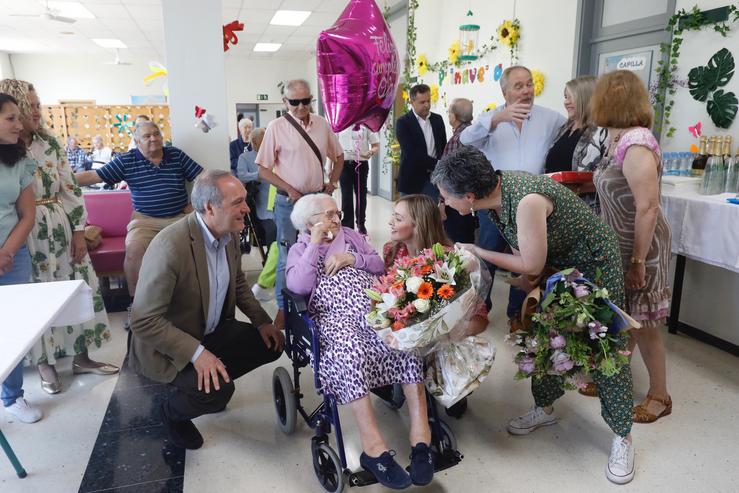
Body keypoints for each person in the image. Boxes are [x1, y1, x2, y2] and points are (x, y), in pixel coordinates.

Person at [432, 146, 636, 485]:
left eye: (446, 198)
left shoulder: (526, 200)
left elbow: (530, 262)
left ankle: (622, 437)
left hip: (594, 267)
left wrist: (479, 252)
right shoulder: (495, 199)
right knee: (546, 340)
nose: (444, 204)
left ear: (468, 196)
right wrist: (531, 286)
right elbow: (523, 252)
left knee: (603, 350)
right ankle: (545, 408)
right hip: (557, 266)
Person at [286, 193, 434, 489]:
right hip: (334, 316)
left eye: (336, 213)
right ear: (309, 222)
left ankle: (421, 441)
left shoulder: (351, 236)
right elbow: (297, 286)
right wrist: (316, 244)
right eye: (328, 215)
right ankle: (374, 450)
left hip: (371, 307)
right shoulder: (300, 248)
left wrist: (351, 257)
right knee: (350, 352)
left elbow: (378, 265)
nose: (335, 220)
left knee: (405, 343)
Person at [129, 170, 284, 450]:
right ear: (210, 207)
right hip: (168, 347)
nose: (247, 209)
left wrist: (262, 322)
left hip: (209, 330)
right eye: (238, 202)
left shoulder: (230, 234)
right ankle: (171, 411)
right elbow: (143, 320)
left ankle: (207, 382)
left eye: (245, 200)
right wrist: (198, 355)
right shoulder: (170, 246)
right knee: (219, 393)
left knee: (270, 345)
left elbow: (237, 284)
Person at [0, 79, 118, 394]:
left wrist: (79, 231)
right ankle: (45, 363)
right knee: (37, 297)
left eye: (39, 105)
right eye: (31, 106)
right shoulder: (9, 151)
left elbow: (71, 188)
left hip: (59, 224)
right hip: (24, 233)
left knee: (77, 289)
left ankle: (82, 356)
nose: (37, 112)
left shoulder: (49, 144)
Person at [591, 70, 672, 424]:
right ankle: (614, 374)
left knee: (645, 322)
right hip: (622, 242)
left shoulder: (637, 142)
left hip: (642, 246)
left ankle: (660, 395)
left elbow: (647, 206)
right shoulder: (617, 136)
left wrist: (638, 260)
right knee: (626, 316)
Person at [459, 65, 567, 331]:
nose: (526, 90)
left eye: (529, 84)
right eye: (519, 86)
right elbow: (464, 140)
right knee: (487, 255)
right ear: (505, 91)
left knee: (528, 262)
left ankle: (518, 315)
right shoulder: (490, 120)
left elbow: (570, 134)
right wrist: (496, 120)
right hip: (494, 204)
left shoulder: (550, 118)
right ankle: (479, 309)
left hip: (532, 206)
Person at [75, 121, 203, 329]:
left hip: (179, 217)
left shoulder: (176, 155)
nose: (153, 138)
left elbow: (202, 177)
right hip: (144, 220)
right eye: (146, 136)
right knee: (133, 250)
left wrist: (195, 204)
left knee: (195, 250)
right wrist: (61, 180)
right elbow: (93, 176)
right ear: (136, 141)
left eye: (156, 134)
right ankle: (137, 307)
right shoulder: (127, 160)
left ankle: (189, 306)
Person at [384, 194, 488, 418]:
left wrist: (449, 331)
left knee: (453, 399)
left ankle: (448, 383)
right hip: (408, 336)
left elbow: (479, 317)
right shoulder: (392, 252)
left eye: (398, 218)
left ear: (417, 224)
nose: (390, 222)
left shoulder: (450, 260)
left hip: (445, 337)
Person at [256, 79, 344, 330]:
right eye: (294, 102)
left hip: (318, 202)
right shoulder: (276, 127)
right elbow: (263, 169)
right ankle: (284, 310)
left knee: (319, 251)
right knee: (286, 254)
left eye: (306, 101)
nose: (301, 106)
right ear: (285, 102)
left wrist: (332, 183)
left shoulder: (322, 125)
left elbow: (338, 157)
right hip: (288, 203)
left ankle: (313, 303)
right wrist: (290, 189)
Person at [0, 93, 42, 423]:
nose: (19, 124)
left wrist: (7, 251)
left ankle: (12, 397)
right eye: (10, 118)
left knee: (12, 329)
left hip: (13, 256)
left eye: (19, 117)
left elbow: (27, 214)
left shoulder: (19, 161)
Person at [236, 127, 277, 301]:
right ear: (254, 143)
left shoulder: (274, 155)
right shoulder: (245, 158)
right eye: (264, 140)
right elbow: (242, 176)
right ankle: (270, 272)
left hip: (280, 203)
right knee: (273, 237)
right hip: (262, 207)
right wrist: (259, 175)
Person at [396, 84, 446, 200]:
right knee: (411, 217)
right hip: (411, 181)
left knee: (432, 216)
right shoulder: (403, 123)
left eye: (428, 101)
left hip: (434, 180)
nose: (427, 105)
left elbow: (443, 146)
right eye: (422, 102)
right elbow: (411, 154)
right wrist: (438, 164)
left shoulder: (437, 120)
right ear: (412, 102)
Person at [440, 98, 476, 243]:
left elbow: (447, 174)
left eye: (449, 112)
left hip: (457, 201)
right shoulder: (475, 134)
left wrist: (442, 202)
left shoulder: (457, 139)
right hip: (473, 200)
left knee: (457, 241)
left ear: (454, 117)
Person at [337, 125, 379, 235]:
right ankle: (347, 225)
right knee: (346, 195)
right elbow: (333, 147)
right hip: (344, 164)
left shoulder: (366, 125)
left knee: (361, 194)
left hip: (361, 164)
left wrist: (371, 152)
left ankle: (361, 223)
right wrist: (330, 167)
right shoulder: (340, 124)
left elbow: (375, 145)